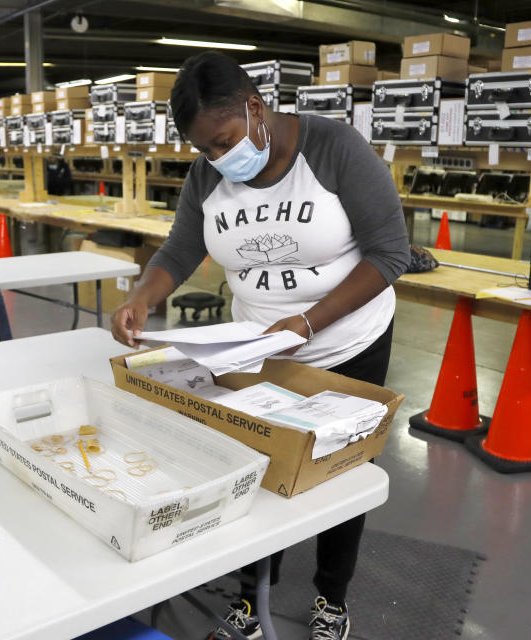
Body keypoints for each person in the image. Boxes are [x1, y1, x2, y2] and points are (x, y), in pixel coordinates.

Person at [111, 51, 408, 640]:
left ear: (255, 107)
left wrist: (307, 322)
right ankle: (251, 600)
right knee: (254, 468)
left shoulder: (335, 149)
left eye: (223, 142)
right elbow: (178, 251)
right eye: (205, 151)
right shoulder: (208, 177)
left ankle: (333, 599)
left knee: (340, 473)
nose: (219, 159)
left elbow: (389, 253)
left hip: (349, 340)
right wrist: (144, 296)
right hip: (257, 349)